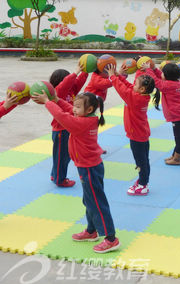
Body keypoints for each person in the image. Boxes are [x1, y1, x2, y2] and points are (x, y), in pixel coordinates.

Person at [32, 91, 120, 254]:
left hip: (89, 168)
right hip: (88, 166)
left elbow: (63, 117)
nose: (74, 108)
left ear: (89, 109)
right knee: (89, 200)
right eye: (74, 105)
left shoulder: (81, 123)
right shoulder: (86, 118)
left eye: (78, 106)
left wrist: (48, 102)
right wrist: (58, 99)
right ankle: (91, 231)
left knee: (97, 202)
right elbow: (69, 111)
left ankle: (111, 239)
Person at [106, 64, 159, 196]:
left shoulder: (135, 98)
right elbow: (128, 87)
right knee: (143, 160)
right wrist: (119, 76)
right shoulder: (139, 94)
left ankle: (143, 184)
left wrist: (113, 76)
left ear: (142, 89)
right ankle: (143, 180)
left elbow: (122, 90)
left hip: (137, 136)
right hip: (141, 134)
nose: (133, 85)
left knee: (141, 162)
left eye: (136, 84)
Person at [48, 66, 89, 188]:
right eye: (69, 81)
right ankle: (60, 180)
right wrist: (75, 73)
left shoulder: (71, 91)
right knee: (62, 157)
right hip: (61, 131)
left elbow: (78, 82)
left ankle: (55, 174)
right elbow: (66, 84)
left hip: (68, 129)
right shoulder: (57, 92)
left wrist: (85, 70)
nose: (72, 83)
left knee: (63, 156)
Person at [150, 62, 180, 165]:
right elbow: (161, 78)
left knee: (179, 139)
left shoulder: (167, 85)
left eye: (163, 72)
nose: (161, 74)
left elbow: (156, 81)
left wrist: (148, 69)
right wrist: (154, 68)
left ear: (167, 76)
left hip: (179, 117)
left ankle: (177, 159)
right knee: (178, 138)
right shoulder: (176, 82)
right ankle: (174, 155)